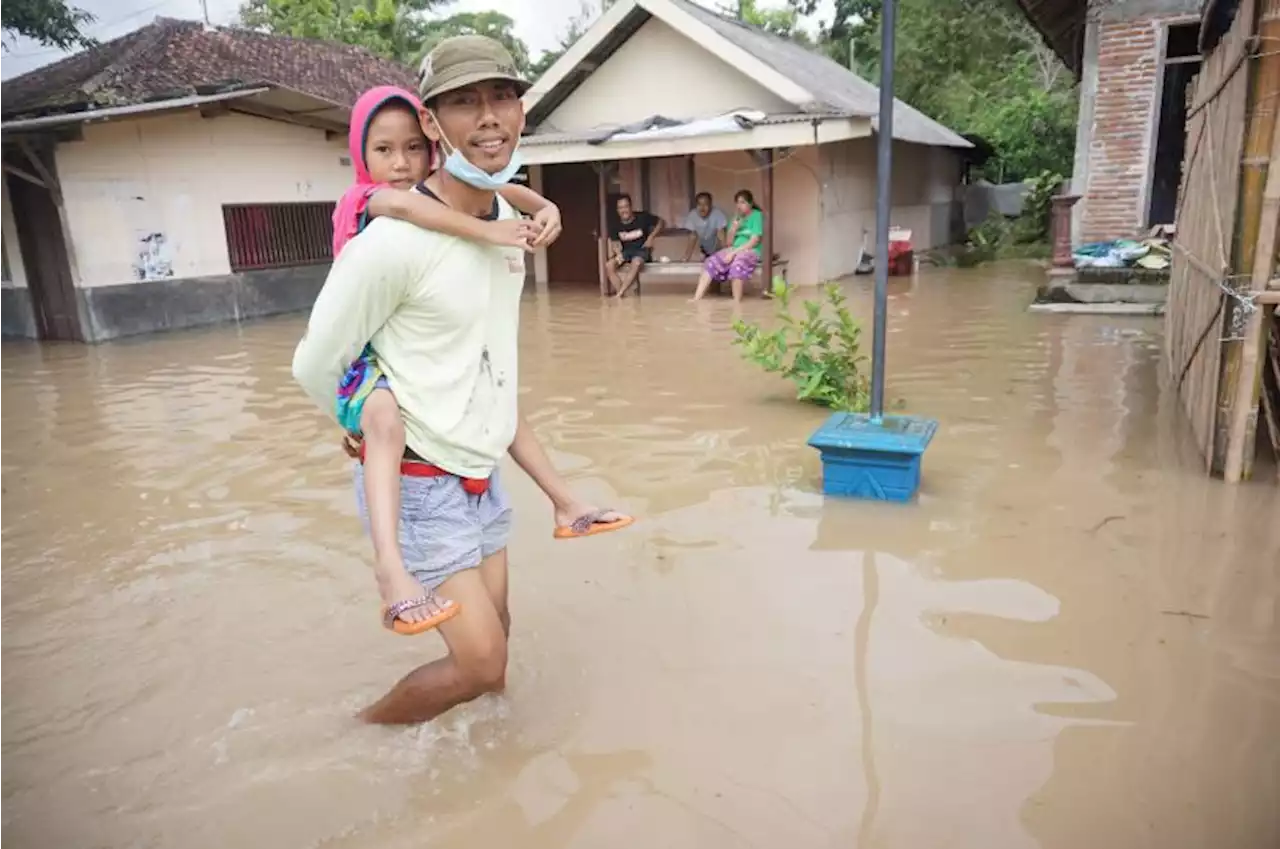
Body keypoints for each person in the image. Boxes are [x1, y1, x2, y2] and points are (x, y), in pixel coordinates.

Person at [293, 35, 634, 726]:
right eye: (464, 102)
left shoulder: (512, 222)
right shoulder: (389, 243)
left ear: (522, 110)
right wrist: (368, 413)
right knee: (480, 661)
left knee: (499, 632)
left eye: (501, 96)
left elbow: (489, 365)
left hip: (481, 466)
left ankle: (494, 759)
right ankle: (362, 735)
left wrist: (562, 495)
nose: (488, 117)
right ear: (430, 121)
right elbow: (313, 364)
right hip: (417, 480)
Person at [331, 85, 563, 636]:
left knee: (490, 394)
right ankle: (390, 567)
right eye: (384, 150)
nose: (401, 164)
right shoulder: (368, 201)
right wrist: (490, 230)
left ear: (430, 146)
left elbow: (506, 188)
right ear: (360, 155)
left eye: (413, 149)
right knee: (383, 426)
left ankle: (564, 500)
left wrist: (547, 205)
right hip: (364, 356)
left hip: (400, 347)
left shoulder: (439, 202)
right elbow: (412, 204)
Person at [690, 189, 765, 303]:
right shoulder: (736, 218)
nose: (739, 206)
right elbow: (729, 243)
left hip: (751, 250)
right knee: (710, 261)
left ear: (750, 203)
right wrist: (733, 229)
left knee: (737, 264)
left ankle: (736, 301)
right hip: (733, 249)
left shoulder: (757, 216)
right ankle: (696, 298)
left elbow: (754, 241)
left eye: (743, 202)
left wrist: (734, 253)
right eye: (737, 203)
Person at [606, 194, 663, 299]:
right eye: (620, 208)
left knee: (635, 263)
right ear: (617, 210)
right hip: (626, 252)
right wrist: (618, 254)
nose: (624, 210)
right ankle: (622, 294)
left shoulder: (642, 217)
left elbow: (660, 222)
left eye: (626, 206)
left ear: (631, 207)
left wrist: (651, 237)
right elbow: (615, 242)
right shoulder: (615, 224)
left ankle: (620, 294)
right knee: (609, 265)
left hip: (642, 251)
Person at [681, 192, 728, 261]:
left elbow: (721, 236)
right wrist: (686, 256)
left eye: (705, 204)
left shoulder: (718, 214)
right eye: (699, 204)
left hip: (718, 249)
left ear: (710, 205)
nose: (702, 207)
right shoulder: (693, 215)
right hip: (704, 249)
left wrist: (726, 254)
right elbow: (692, 236)